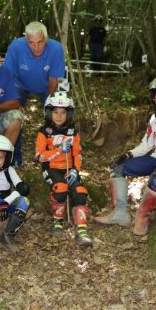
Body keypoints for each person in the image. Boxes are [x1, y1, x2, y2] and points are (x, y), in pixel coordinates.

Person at [94, 75, 156, 236]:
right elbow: (146, 145)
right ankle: (120, 213)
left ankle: (142, 218)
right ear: (153, 97)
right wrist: (128, 155)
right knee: (117, 168)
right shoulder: (154, 118)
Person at [35, 92, 92, 247]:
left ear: (69, 114)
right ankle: (57, 221)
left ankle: (81, 229)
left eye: (63, 112)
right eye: (55, 112)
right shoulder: (43, 132)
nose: (59, 116)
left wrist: (75, 170)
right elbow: (40, 157)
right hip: (50, 168)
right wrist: (59, 150)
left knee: (80, 192)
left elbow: (77, 154)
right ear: (48, 113)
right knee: (60, 189)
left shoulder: (72, 132)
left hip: (68, 168)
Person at [1, 21, 66, 107]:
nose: (36, 48)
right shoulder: (16, 46)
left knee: (57, 111)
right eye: (31, 43)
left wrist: (50, 104)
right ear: (26, 40)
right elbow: (7, 75)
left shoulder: (56, 48)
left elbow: (53, 79)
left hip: (47, 86)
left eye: (40, 42)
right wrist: (14, 102)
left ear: (46, 39)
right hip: (20, 85)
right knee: (12, 110)